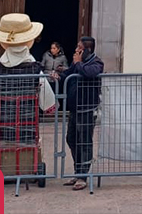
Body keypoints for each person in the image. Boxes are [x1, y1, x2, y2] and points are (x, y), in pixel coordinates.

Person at [0, 13, 57, 181]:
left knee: (5, 138)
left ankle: (5, 168)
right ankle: (27, 167)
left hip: (5, 119)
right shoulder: (34, 68)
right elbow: (47, 97)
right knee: (28, 136)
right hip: (28, 117)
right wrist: (48, 105)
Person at [55, 36, 104, 191]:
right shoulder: (79, 63)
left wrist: (78, 63)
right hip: (75, 108)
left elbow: (89, 74)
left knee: (84, 141)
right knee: (71, 138)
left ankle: (83, 176)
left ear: (86, 50)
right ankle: (78, 171)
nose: (75, 50)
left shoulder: (96, 63)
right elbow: (69, 74)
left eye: (79, 48)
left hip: (87, 109)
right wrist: (58, 74)